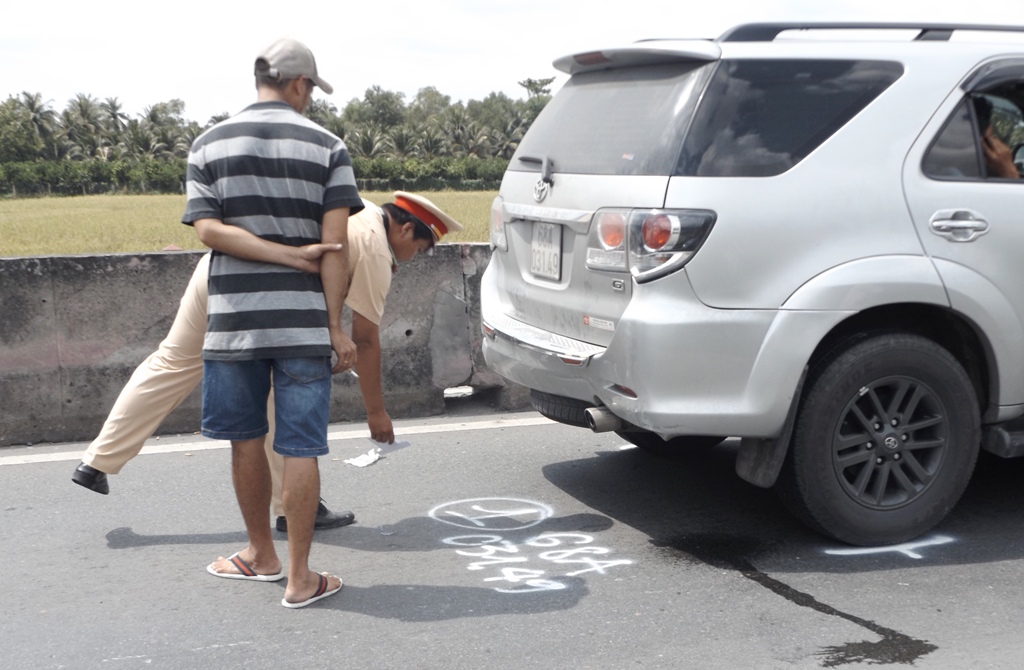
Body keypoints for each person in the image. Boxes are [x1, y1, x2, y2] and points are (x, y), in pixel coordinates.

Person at [71, 187, 463, 530]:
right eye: (420, 249)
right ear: (406, 228)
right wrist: (376, 413)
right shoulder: (377, 246)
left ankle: (96, 462)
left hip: (217, 272)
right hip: (268, 298)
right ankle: (290, 509)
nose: (413, 258)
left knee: (171, 362)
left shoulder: (352, 205)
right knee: (280, 395)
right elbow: (366, 338)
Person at [186, 37, 362, 609]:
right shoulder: (327, 147)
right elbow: (333, 247)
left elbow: (208, 231)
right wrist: (335, 326)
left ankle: (260, 554)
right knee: (300, 447)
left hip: (233, 322)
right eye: (310, 89)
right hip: (302, 324)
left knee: (245, 441)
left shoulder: (208, 143)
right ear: (298, 85)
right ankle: (300, 578)